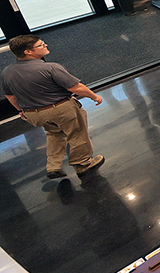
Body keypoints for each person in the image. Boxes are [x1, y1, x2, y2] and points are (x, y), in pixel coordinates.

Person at [2, 35, 105, 178]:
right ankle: (83, 164)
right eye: (40, 45)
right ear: (28, 52)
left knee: (54, 134)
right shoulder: (50, 68)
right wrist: (94, 96)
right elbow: (76, 87)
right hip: (60, 110)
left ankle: (53, 166)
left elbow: (10, 96)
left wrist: (21, 110)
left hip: (34, 114)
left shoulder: (7, 71)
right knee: (77, 134)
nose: (45, 45)